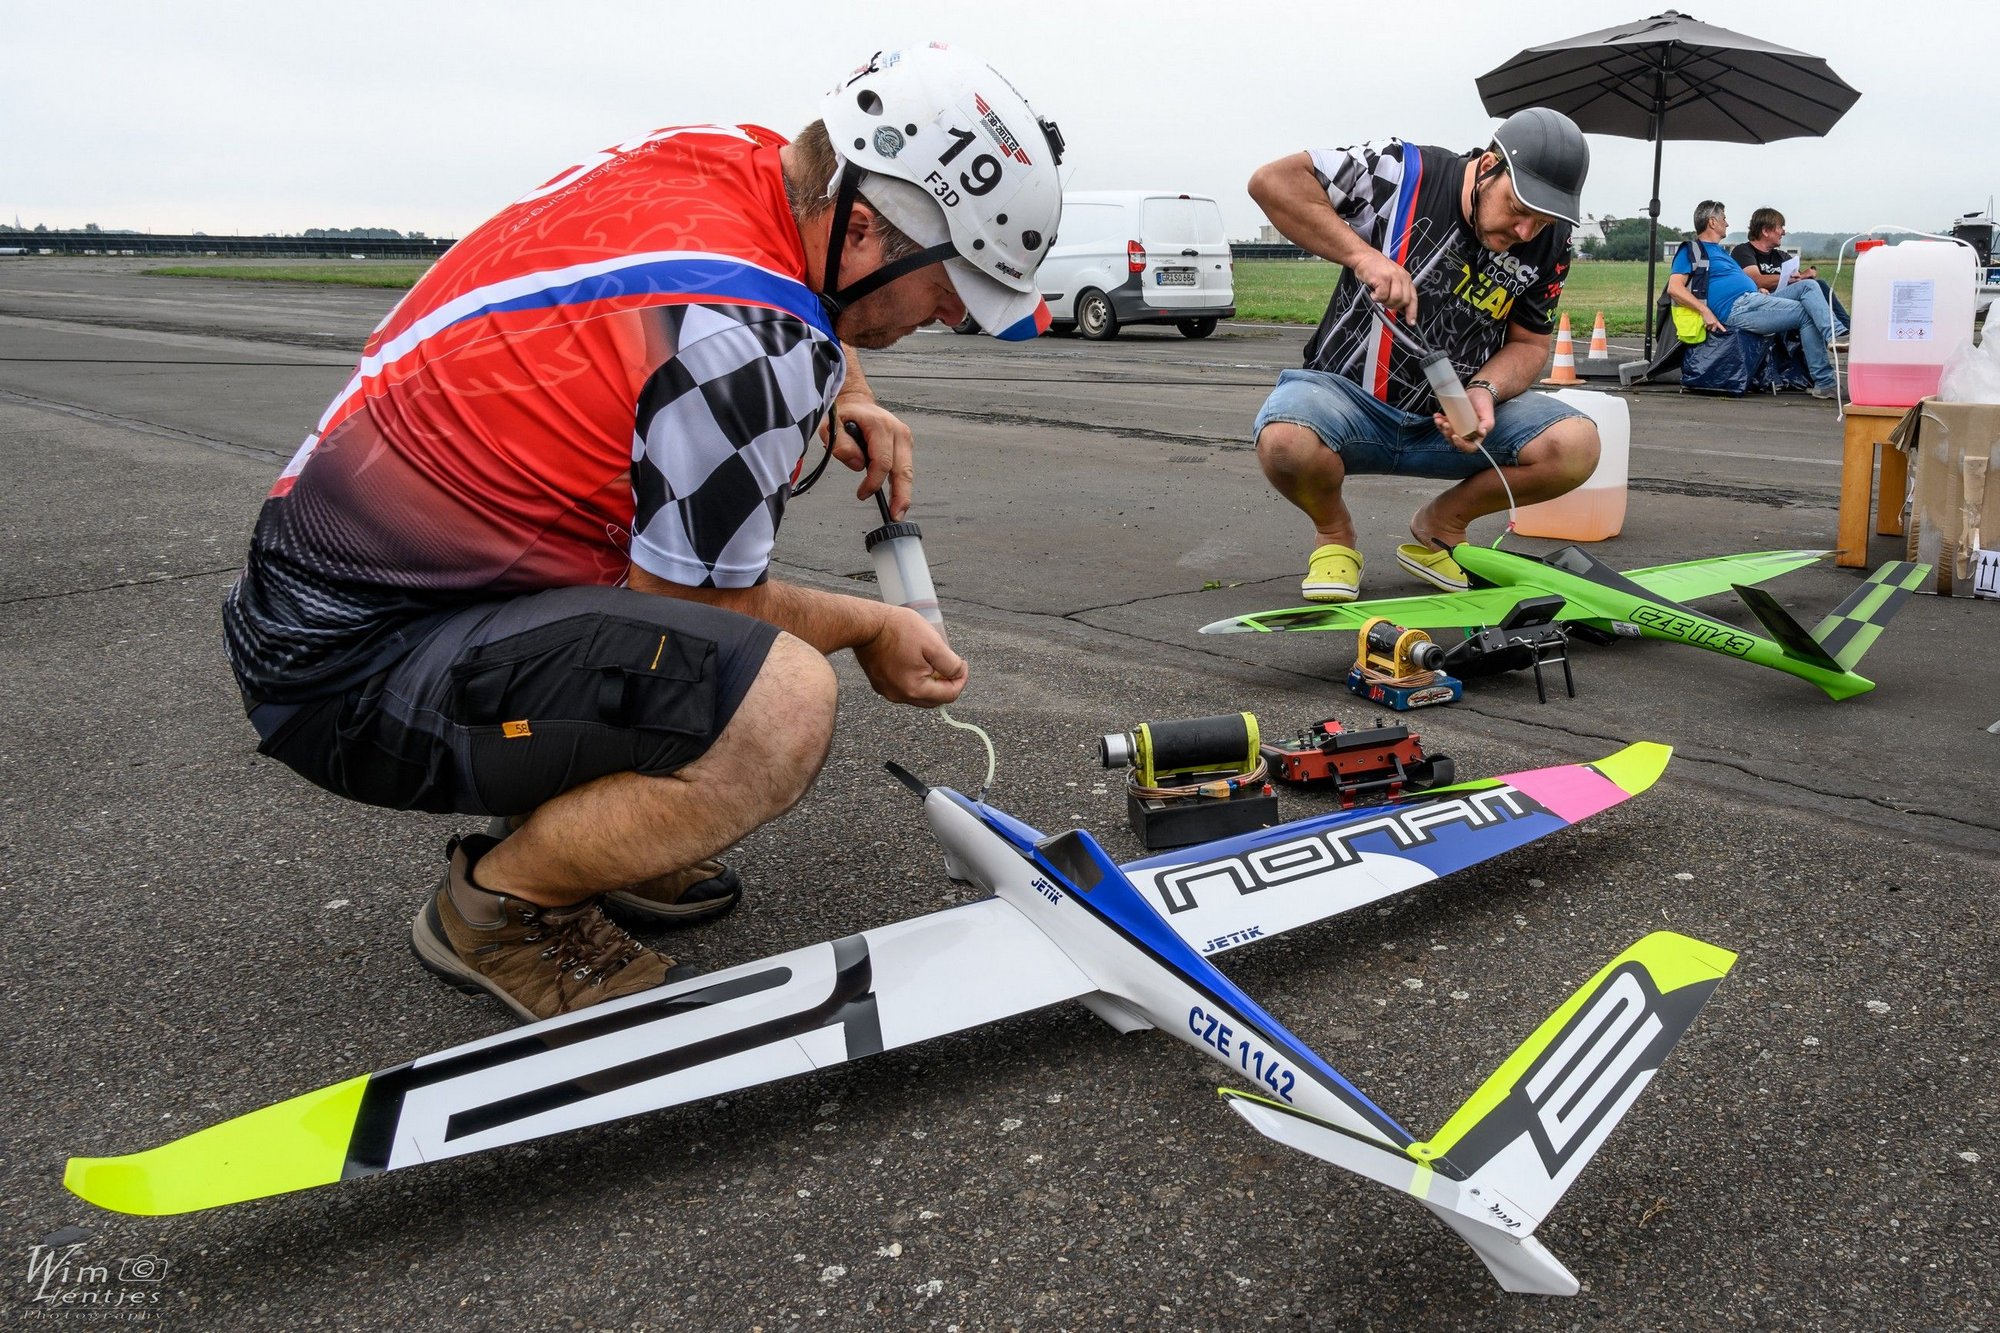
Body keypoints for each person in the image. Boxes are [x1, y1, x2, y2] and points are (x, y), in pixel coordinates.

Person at [222, 44, 1066, 1023]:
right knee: (775, 699)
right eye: (951, 290)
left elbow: (782, 288)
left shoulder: (734, 160)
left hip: (323, 599)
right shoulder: (750, 342)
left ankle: (588, 825)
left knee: (697, 650)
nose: (952, 314)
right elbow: (702, 620)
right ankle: (503, 903)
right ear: (868, 228)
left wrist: (848, 385)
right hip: (350, 673)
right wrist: (870, 627)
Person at [1247, 107, 1601, 602]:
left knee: (1576, 446)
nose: (1526, 232)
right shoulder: (1401, 172)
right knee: (1285, 438)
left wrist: (1483, 391)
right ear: (1488, 166)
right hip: (1347, 404)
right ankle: (1334, 536)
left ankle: (1442, 526)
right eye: (1518, 209)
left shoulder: (1551, 243)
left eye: (1542, 220)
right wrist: (1364, 255)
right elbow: (1272, 182)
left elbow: (1529, 344)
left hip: (1455, 418)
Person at [1667, 201, 1839, 397]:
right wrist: (1705, 311)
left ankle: (1837, 333)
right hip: (1737, 308)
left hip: (1753, 299)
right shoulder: (1691, 249)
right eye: (1724, 218)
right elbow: (1674, 288)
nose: (1727, 223)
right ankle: (1827, 375)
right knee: (1806, 314)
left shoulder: (1721, 252)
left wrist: (1758, 289)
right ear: (1712, 222)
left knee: (1809, 285)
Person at [1731, 206, 1850, 334]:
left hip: (1786, 299)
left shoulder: (1782, 256)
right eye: (1780, 227)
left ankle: (1847, 331)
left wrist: (1804, 276)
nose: (1783, 232)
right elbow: (1757, 280)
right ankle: (1838, 333)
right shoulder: (1743, 251)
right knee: (1810, 290)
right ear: (1765, 231)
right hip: (1762, 302)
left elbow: (1798, 280)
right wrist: (1798, 277)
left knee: (1819, 285)